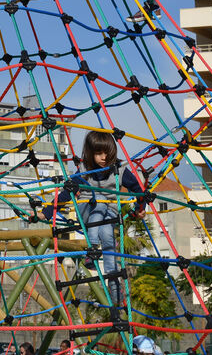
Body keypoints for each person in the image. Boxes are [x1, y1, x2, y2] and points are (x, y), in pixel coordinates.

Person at [42, 131, 146, 321]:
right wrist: (47, 211)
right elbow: (67, 192)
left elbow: (138, 189)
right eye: (99, 153)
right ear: (90, 153)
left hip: (109, 215)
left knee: (107, 236)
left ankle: (115, 294)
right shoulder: (84, 170)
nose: (104, 157)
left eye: (107, 152)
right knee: (97, 200)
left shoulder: (119, 169)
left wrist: (141, 208)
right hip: (86, 212)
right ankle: (91, 249)